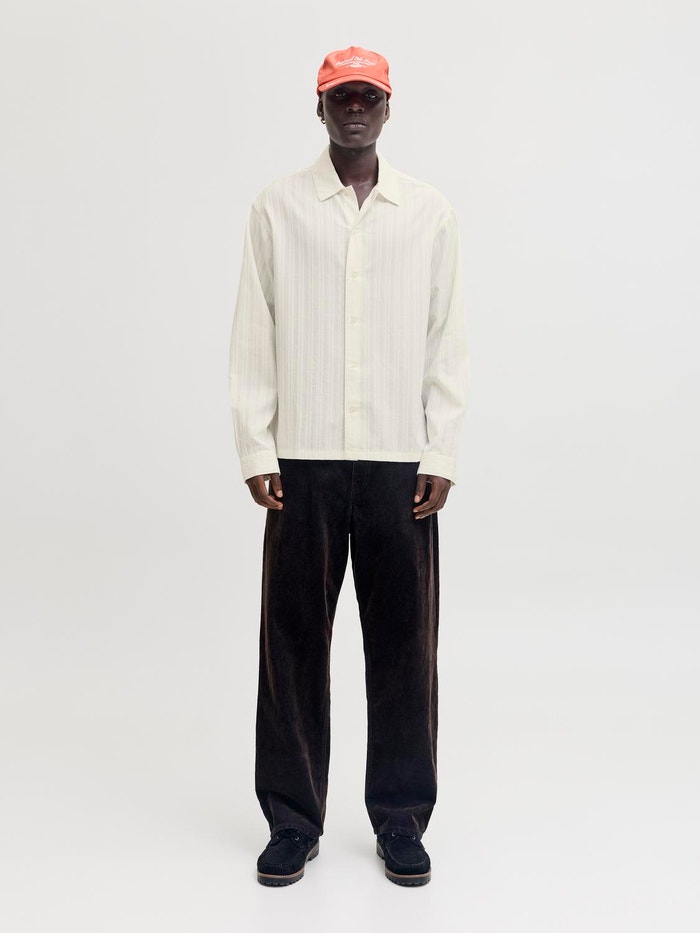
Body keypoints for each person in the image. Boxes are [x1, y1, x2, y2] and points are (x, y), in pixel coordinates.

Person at [229, 45, 469, 887]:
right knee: (292, 643)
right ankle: (292, 820)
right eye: (342, 96)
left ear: (388, 107)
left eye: (368, 95)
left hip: (400, 462)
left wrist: (440, 448)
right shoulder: (277, 207)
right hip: (303, 461)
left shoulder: (428, 212)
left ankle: (401, 818)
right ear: (320, 107)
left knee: (404, 645)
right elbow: (254, 330)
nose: (356, 108)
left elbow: (447, 338)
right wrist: (256, 445)